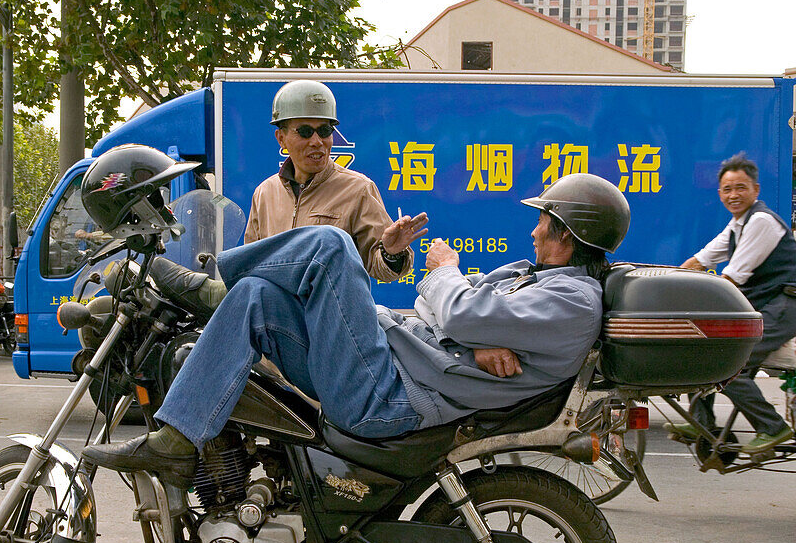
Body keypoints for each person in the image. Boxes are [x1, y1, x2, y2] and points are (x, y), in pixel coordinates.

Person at [78, 146, 628, 483]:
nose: (534, 230)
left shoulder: (571, 301)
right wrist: (473, 336)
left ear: (568, 233)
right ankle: (179, 436)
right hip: (388, 364)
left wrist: (446, 274)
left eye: (544, 222)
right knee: (257, 301)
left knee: (333, 246)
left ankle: (211, 283)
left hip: (389, 397)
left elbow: (455, 306)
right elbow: (441, 312)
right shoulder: (536, 281)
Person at [672, 152, 796, 454]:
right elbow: (701, 259)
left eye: (740, 188)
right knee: (707, 353)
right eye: (727, 189)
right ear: (720, 193)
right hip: (763, 309)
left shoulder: (761, 221)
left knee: (729, 366)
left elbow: (733, 278)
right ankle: (702, 423)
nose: (733, 195)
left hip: (782, 308)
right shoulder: (737, 225)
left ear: (755, 191)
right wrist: (669, 282)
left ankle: (773, 428)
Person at [244, 80, 428, 283]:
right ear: (281, 138)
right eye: (305, 132)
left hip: (331, 312)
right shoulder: (265, 193)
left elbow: (380, 269)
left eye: (324, 131)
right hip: (277, 312)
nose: (316, 141)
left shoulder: (358, 189)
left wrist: (391, 253)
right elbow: (251, 263)